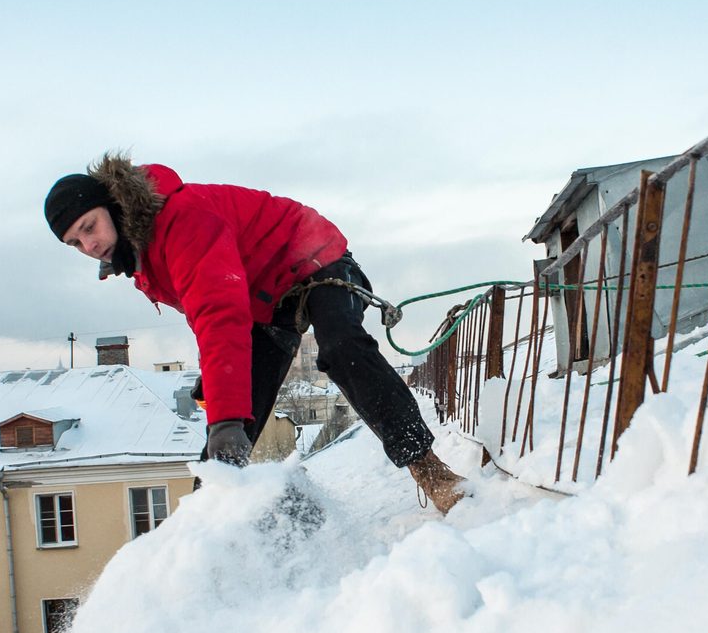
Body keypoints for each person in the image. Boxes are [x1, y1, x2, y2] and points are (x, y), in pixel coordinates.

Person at [44, 152, 467, 513]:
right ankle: (204, 525)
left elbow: (217, 314)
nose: (88, 245)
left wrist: (226, 417)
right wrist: (223, 403)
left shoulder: (180, 219)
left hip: (308, 259)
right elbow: (209, 319)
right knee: (230, 412)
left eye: (89, 227)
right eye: (75, 243)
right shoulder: (140, 255)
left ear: (112, 206)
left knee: (341, 348)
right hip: (263, 300)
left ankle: (430, 469)